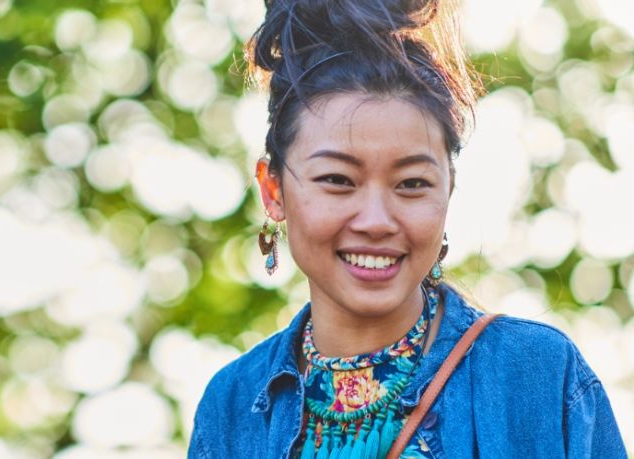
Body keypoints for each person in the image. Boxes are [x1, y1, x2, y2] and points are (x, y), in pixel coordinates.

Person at [188, 0, 627, 458]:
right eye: (338, 180)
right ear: (273, 190)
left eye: (412, 183)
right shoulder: (231, 408)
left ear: (448, 189)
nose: (377, 221)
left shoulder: (537, 377)